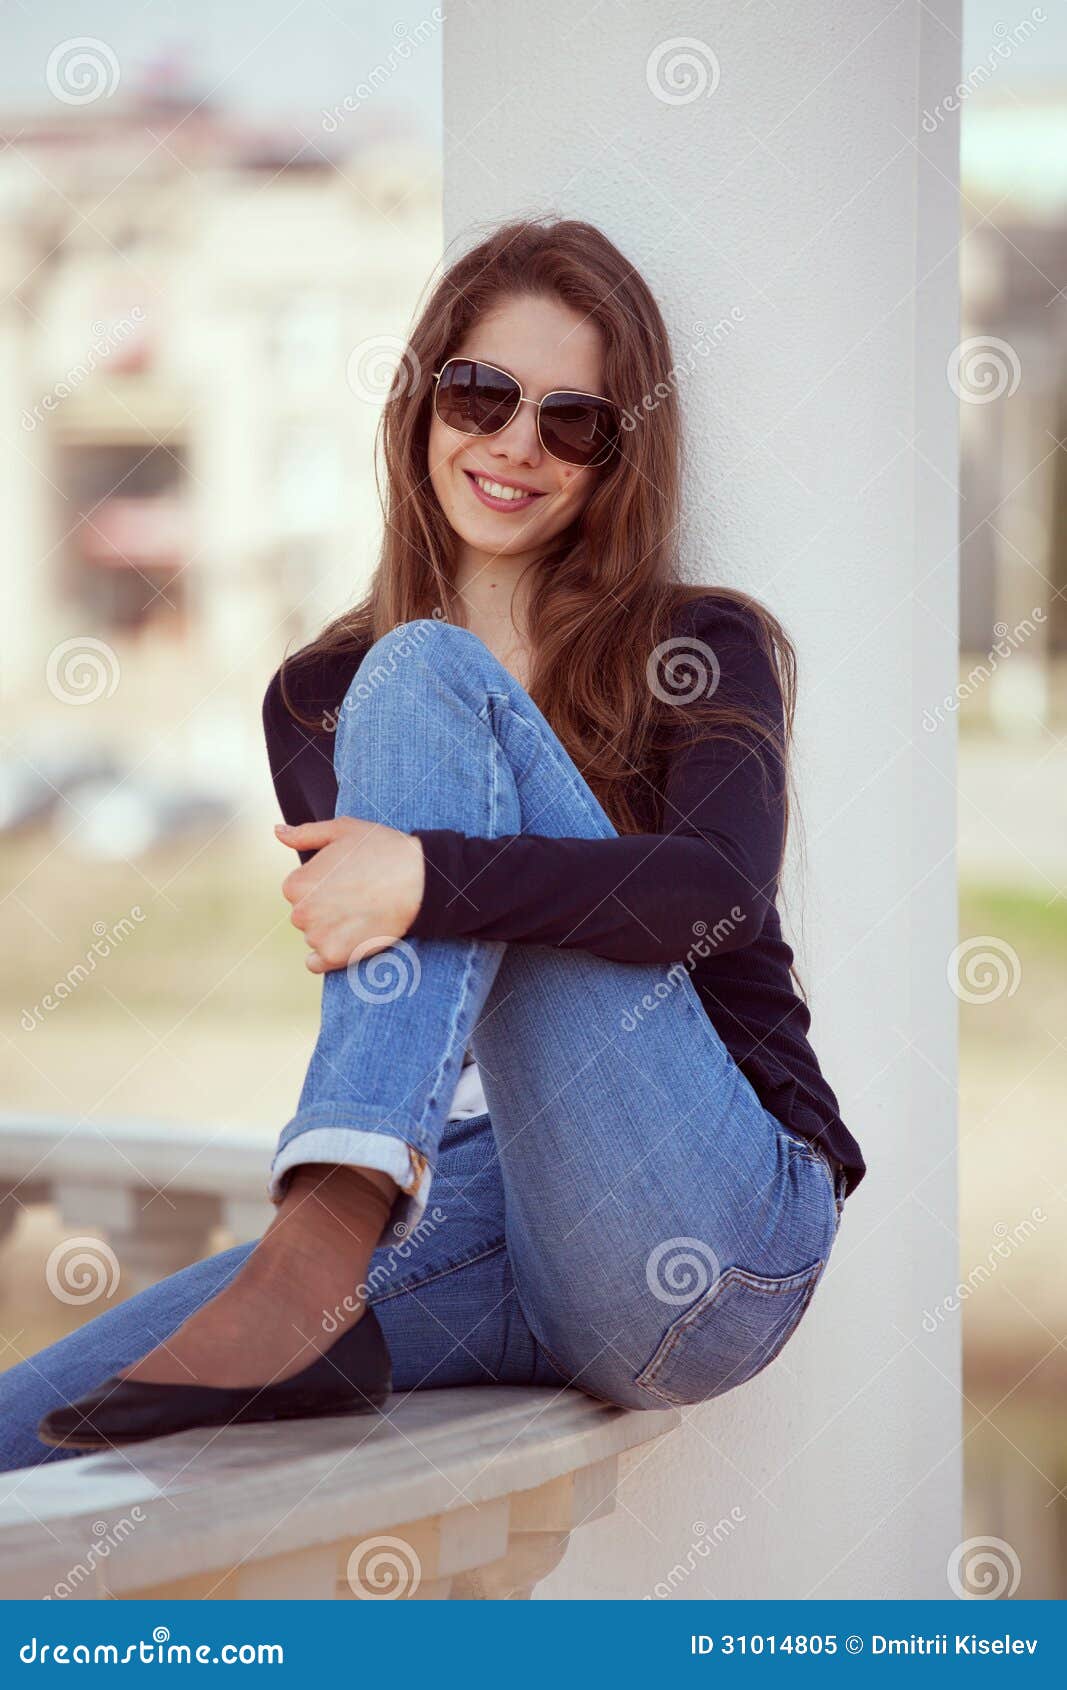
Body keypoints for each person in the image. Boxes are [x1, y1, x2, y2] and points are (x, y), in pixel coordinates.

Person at [0, 216, 864, 1471]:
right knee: (44, 1424)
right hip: (486, 1212)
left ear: (615, 459)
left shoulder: (699, 646)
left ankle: (321, 1240)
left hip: (712, 1222)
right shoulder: (314, 693)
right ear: (419, 406)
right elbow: (391, 976)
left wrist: (429, 872)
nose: (515, 444)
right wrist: (414, 882)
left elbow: (713, 894)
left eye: (574, 421)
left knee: (414, 671)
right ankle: (319, 1271)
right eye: (480, 393)